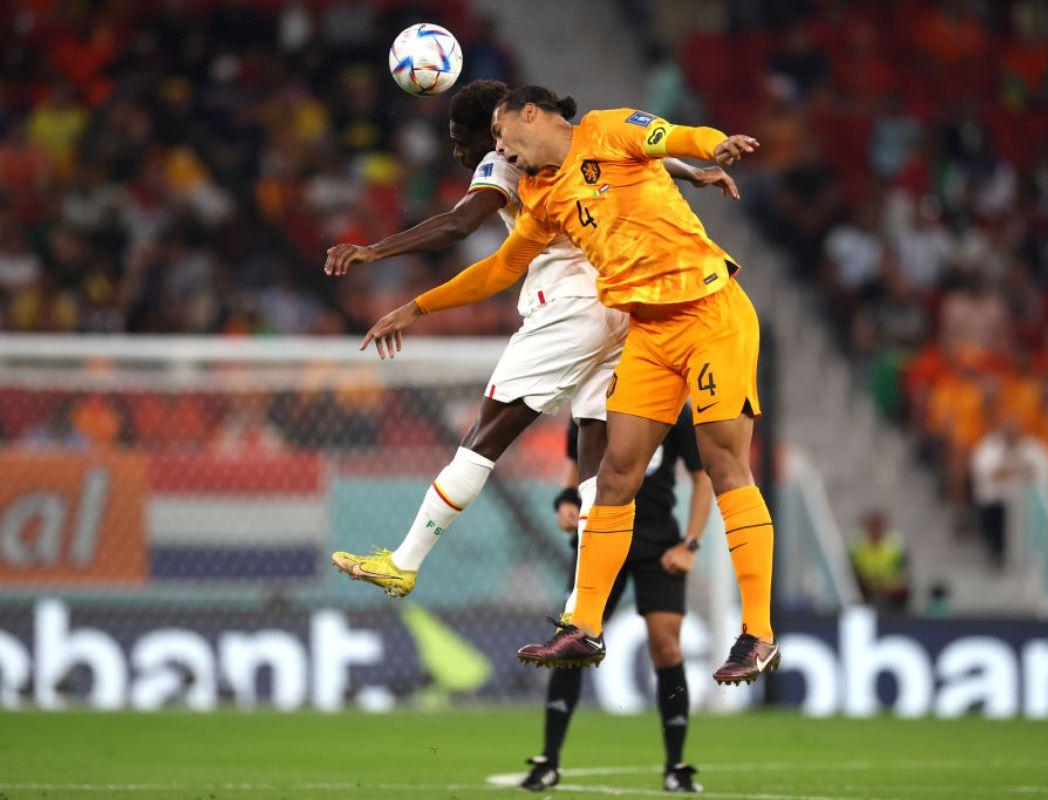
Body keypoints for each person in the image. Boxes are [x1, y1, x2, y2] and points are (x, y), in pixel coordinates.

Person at [358, 85, 777, 685]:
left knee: (724, 463)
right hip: (649, 333)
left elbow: (674, 137)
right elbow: (499, 268)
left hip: (712, 313)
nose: (501, 152)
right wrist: (417, 308)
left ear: (532, 116)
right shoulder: (543, 195)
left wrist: (718, 146)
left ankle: (758, 634)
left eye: (503, 138)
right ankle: (584, 625)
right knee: (614, 475)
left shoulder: (609, 129)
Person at [521, 406, 711, 793]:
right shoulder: (591, 402)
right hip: (601, 539)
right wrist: (565, 503)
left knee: (667, 646)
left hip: (658, 541)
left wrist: (690, 543)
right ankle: (548, 761)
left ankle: (676, 765)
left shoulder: (675, 408)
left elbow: (702, 477)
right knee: (572, 641)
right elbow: (575, 474)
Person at [969, 419, 1048, 566]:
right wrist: (1016, 469)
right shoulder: (989, 447)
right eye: (1008, 433)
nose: (1011, 436)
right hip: (997, 501)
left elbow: (1041, 472)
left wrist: (1013, 470)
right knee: (995, 513)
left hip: (1026, 502)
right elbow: (989, 473)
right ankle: (998, 552)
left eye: (1014, 433)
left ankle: (1030, 555)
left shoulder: (1032, 448)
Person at [849, 509, 910, 612]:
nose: (875, 530)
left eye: (878, 526)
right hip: (865, 591)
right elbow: (851, 573)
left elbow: (903, 577)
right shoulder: (858, 546)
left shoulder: (895, 546)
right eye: (873, 526)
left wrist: (882, 586)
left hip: (889, 592)